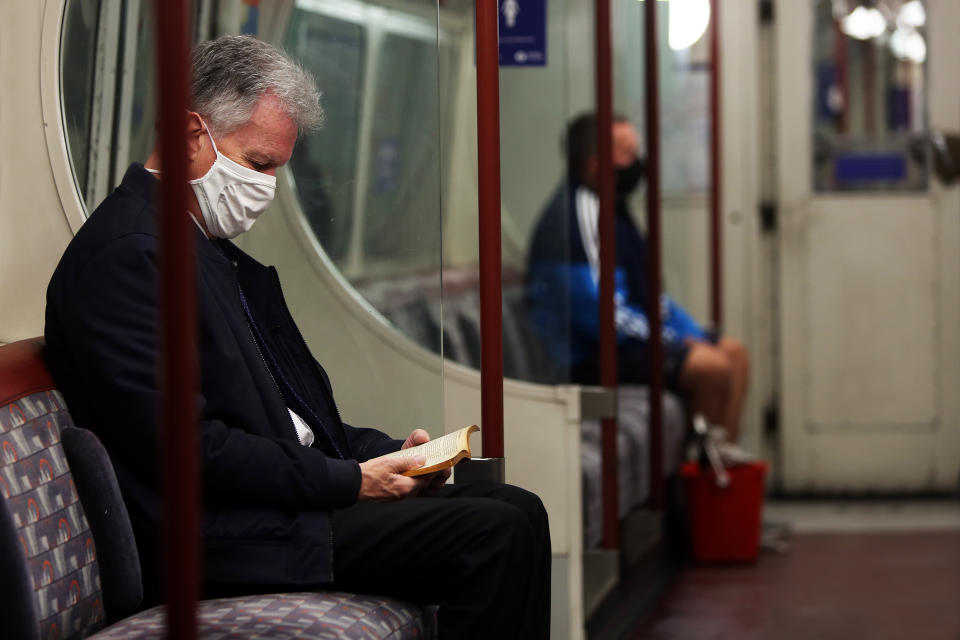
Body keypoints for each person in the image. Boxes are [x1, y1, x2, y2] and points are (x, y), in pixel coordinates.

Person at [45, 35, 549, 638]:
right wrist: (350, 480)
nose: (267, 187)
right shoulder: (130, 258)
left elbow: (288, 417)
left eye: (277, 169)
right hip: (214, 535)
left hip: (266, 506)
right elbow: (188, 450)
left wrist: (387, 455)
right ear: (189, 134)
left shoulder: (201, 251)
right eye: (257, 164)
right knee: (494, 534)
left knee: (517, 506)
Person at [526, 113, 749, 443]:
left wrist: (689, 333)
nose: (636, 162)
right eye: (626, 153)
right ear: (595, 164)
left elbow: (645, 293)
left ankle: (719, 473)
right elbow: (599, 312)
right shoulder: (576, 216)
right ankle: (697, 481)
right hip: (588, 356)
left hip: (623, 344)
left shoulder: (613, 210)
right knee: (711, 370)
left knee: (733, 354)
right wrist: (666, 341)